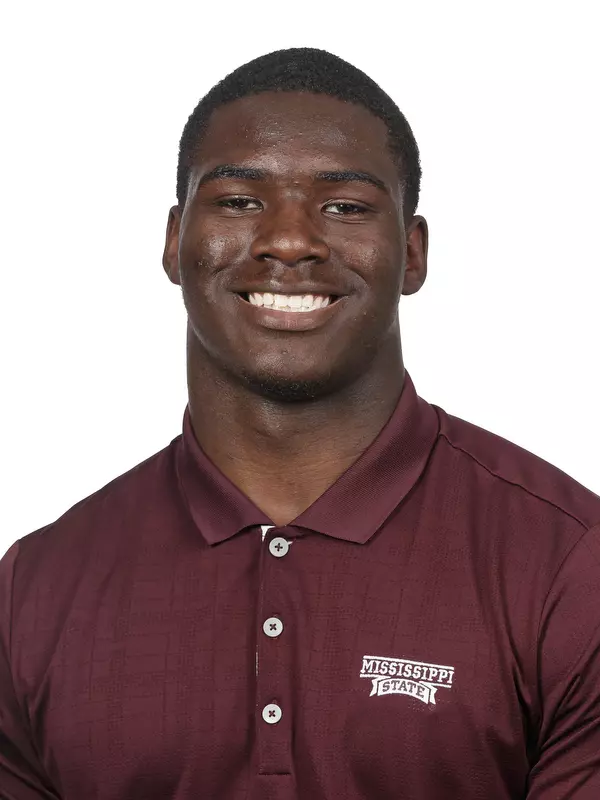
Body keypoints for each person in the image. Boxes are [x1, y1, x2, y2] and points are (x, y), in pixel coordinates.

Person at [1, 47, 599, 800]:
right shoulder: (35, 588)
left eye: (344, 206)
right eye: (240, 201)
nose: (289, 241)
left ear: (412, 254)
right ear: (173, 242)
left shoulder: (570, 565)